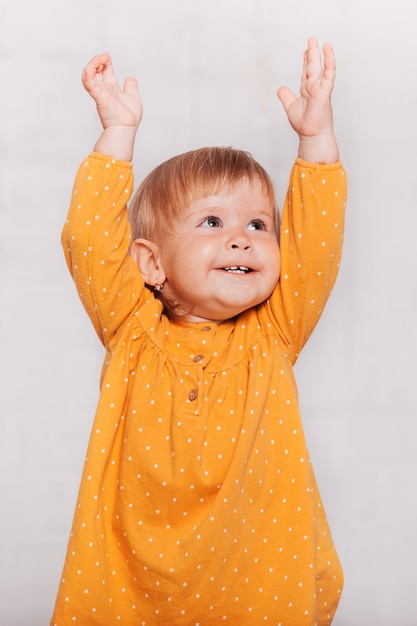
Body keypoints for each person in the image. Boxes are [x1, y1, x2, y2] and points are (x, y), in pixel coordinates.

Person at [51, 37, 347, 626]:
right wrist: (117, 133)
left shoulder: (273, 334)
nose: (241, 237)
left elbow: (315, 245)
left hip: (259, 586)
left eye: (258, 224)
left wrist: (315, 141)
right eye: (212, 221)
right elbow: (88, 242)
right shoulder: (132, 331)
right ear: (151, 263)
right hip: (132, 587)